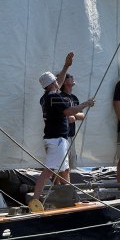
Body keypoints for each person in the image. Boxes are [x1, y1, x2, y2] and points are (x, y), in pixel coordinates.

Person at [32, 52, 95, 206]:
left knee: (64, 170)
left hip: (55, 139)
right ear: (52, 83)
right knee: (49, 171)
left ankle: (71, 198)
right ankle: (35, 200)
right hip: (57, 140)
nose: (58, 83)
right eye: (55, 81)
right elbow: (69, 111)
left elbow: (58, 83)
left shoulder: (46, 97)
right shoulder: (54, 97)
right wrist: (86, 104)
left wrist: (66, 66)